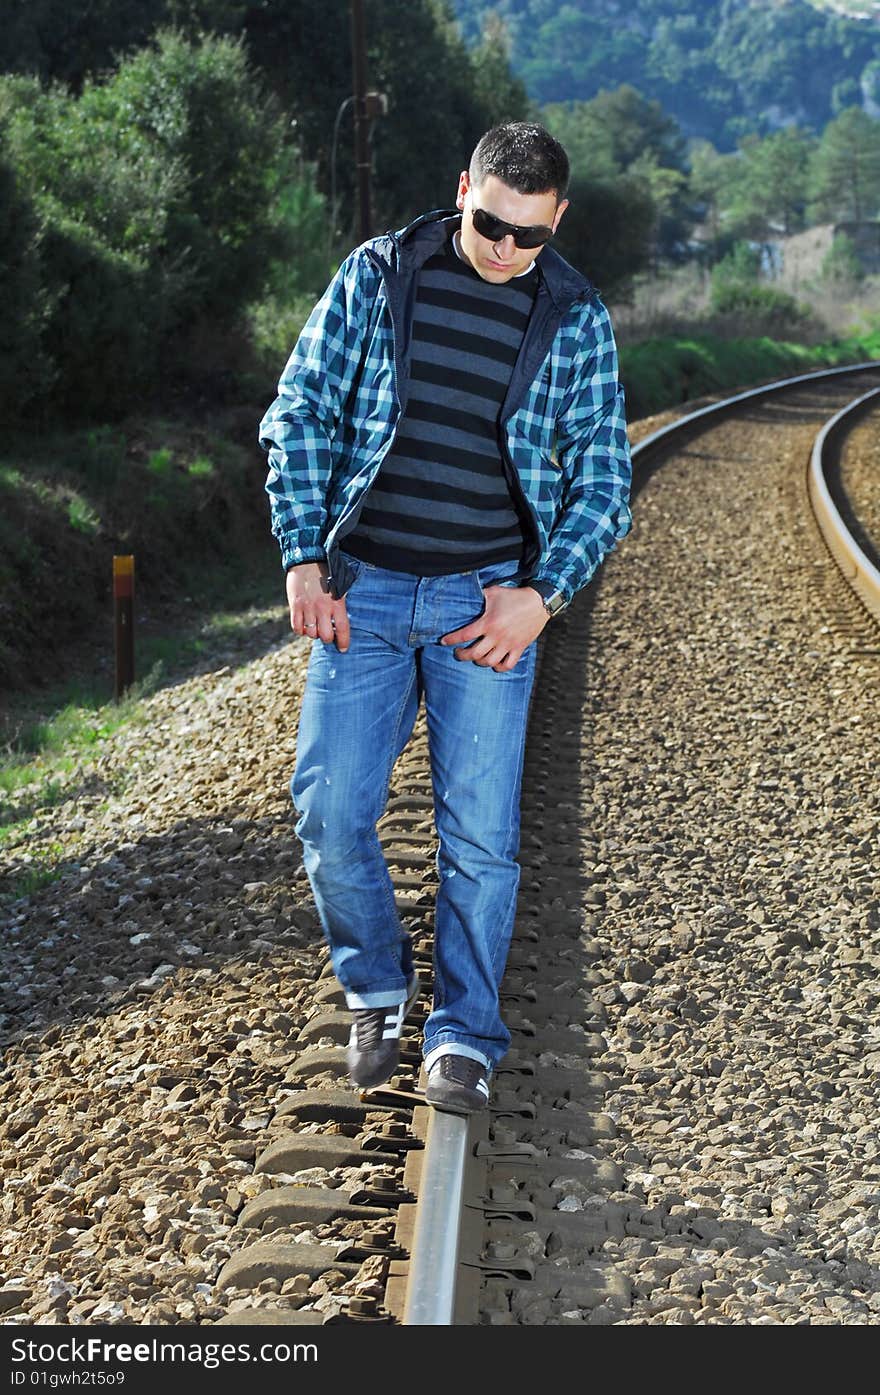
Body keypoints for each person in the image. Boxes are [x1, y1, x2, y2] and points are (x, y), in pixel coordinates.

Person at [259, 121, 632, 1115]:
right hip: (364, 592)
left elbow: (603, 482)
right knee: (330, 813)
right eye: (489, 224)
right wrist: (302, 551)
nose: (507, 250)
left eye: (531, 236)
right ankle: (375, 985)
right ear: (461, 187)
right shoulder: (380, 276)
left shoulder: (574, 316)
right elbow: (300, 411)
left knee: (480, 839)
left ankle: (463, 1035)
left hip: (485, 605)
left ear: (558, 222)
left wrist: (539, 596)